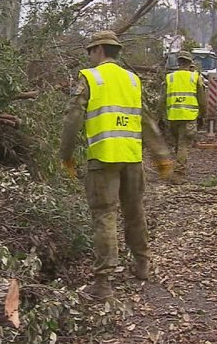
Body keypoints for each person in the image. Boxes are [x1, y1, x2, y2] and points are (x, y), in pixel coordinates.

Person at [59, 30, 173, 300]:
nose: (89, 56)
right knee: (134, 211)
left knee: (105, 215)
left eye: (90, 51)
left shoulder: (90, 77)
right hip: (132, 157)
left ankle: (103, 283)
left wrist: (65, 154)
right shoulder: (132, 80)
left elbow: (73, 118)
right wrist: (160, 154)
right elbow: (144, 119)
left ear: (99, 49)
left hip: (103, 158)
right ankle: (142, 264)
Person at [164, 51, 206, 178]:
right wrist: (203, 115)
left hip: (173, 117)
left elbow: (162, 99)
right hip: (189, 117)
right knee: (183, 145)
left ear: (179, 62)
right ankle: (178, 174)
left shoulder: (170, 77)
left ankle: (178, 166)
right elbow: (202, 100)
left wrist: (160, 116)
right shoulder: (195, 77)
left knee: (178, 144)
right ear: (189, 62)